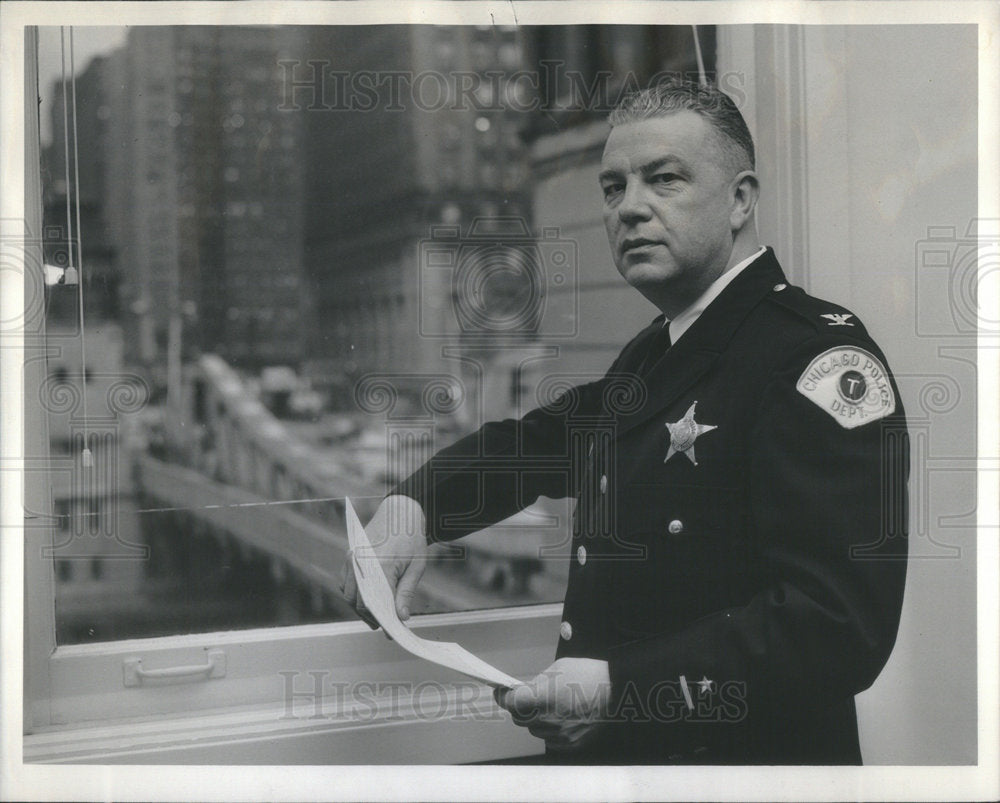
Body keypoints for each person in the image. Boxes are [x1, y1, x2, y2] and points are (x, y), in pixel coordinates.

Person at [341, 79, 909, 764]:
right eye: (613, 188)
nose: (629, 208)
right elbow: (542, 443)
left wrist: (621, 689)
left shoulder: (817, 359)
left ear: (741, 199)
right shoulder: (661, 348)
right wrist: (416, 506)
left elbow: (837, 628)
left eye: (663, 180)